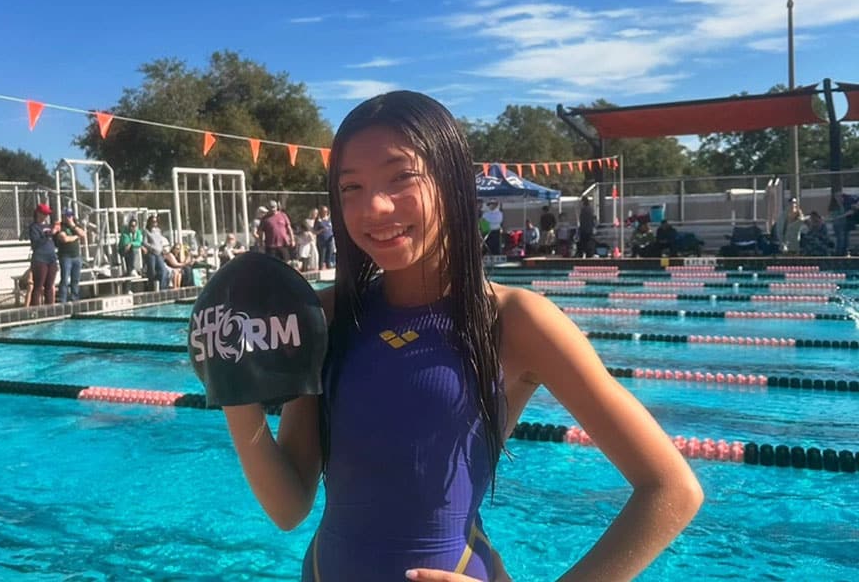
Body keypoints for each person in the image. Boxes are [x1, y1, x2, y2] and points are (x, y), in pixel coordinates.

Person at [220, 91, 702, 581]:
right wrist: (233, 389)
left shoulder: (515, 320)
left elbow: (671, 489)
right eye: (351, 187)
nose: (375, 206)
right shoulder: (325, 316)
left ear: (451, 181)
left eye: (401, 177)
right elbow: (289, 506)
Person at [27, 203, 59, 305]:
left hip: (51, 258)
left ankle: (49, 308)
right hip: (40, 259)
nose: (46, 216)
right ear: (38, 213)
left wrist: (56, 232)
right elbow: (36, 243)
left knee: (49, 285)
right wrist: (50, 234)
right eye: (44, 213)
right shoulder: (34, 227)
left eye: (47, 214)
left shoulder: (48, 226)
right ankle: (35, 309)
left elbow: (54, 241)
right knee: (38, 286)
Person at [55, 208, 86, 302]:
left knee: (75, 280)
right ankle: (63, 300)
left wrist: (73, 226)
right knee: (64, 279)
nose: (67, 218)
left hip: (76, 256)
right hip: (66, 257)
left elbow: (83, 234)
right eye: (65, 216)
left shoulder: (75, 226)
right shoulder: (60, 226)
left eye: (69, 215)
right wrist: (76, 236)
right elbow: (64, 239)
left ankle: (75, 298)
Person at [142, 214, 169, 291]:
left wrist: (162, 249)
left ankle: (162, 287)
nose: (155, 223)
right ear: (149, 222)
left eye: (156, 222)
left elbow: (160, 241)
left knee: (163, 270)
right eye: (153, 222)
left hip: (159, 253)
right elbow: (144, 242)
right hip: (151, 254)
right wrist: (152, 247)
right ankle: (152, 288)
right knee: (152, 272)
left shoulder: (158, 231)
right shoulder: (146, 231)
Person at [314, 205, 335, 269]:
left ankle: (329, 267)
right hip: (322, 241)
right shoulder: (318, 220)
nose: (325, 213)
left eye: (326, 211)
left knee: (329, 254)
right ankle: (320, 268)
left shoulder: (329, 219)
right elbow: (315, 231)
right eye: (323, 211)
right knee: (322, 256)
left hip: (329, 240)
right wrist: (322, 230)